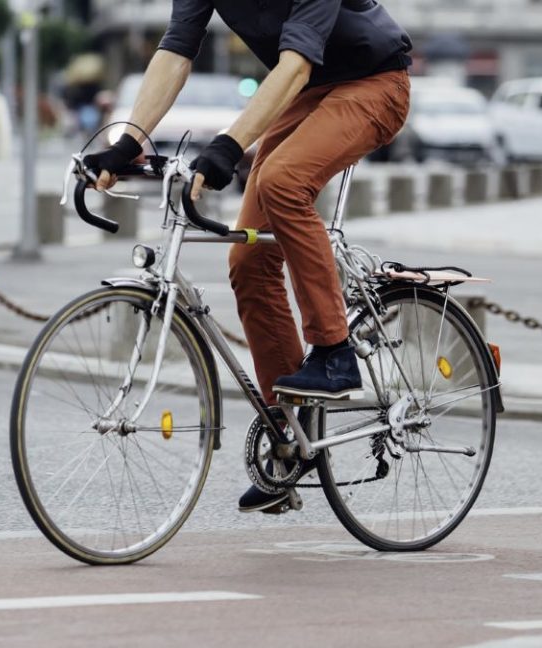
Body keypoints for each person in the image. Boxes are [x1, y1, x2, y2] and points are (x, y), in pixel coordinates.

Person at [83, 0, 412, 514]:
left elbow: (296, 62)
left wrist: (229, 147)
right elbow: (175, 49)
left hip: (373, 84)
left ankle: (335, 350)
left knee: (283, 182)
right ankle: (290, 438)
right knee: (249, 260)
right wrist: (128, 142)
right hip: (307, 94)